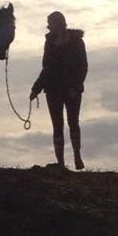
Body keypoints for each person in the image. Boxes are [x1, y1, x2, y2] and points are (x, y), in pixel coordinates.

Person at [30, 11, 87, 169]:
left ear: (58, 24)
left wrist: (75, 87)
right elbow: (46, 68)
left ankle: (77, 156)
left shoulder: (77, 41)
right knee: (57, 125)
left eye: (50, 23)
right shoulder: (49, 43)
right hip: (53, 89)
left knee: (73, 122)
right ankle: (61, 163)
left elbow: (83, 67)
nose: (48, 27)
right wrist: (36, 88)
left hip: (72, 90)